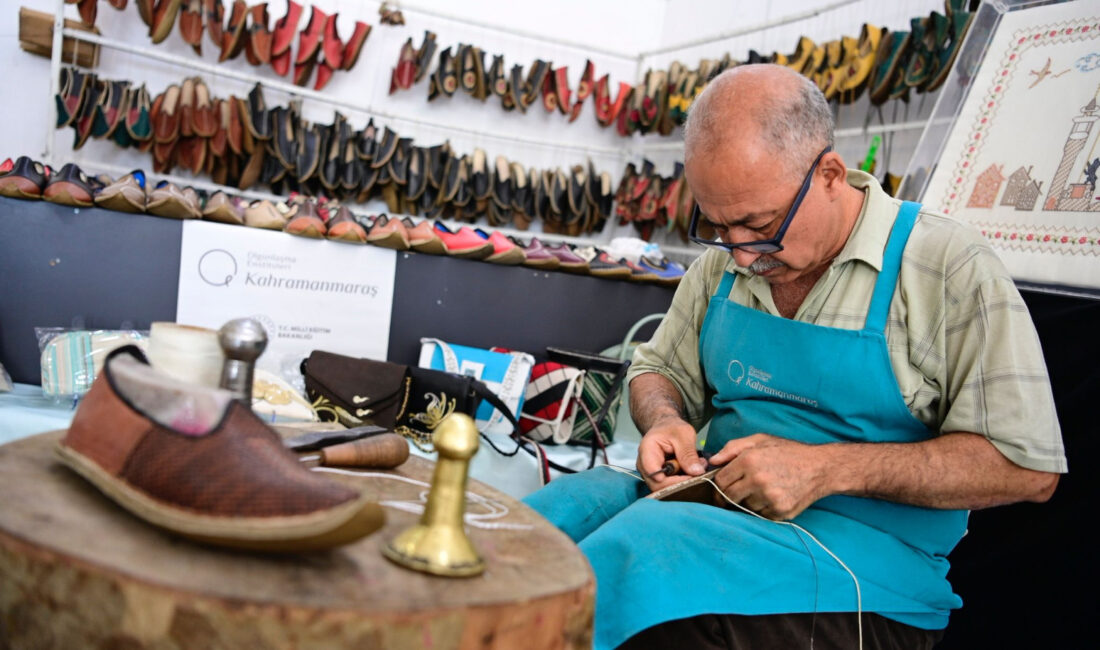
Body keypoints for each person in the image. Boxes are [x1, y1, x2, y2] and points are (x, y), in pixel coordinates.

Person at [524, 64, 1067, 650]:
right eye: (716, 226)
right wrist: (665, 421)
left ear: (830, 174)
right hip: (719, 505)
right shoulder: (728, 261)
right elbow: (659, 370)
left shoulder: (945, 267)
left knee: (629, 565)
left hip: (864, 569)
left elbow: (1026, 467)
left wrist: (825, 468)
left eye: (757, 227)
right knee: (540, 530)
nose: (737, 257)